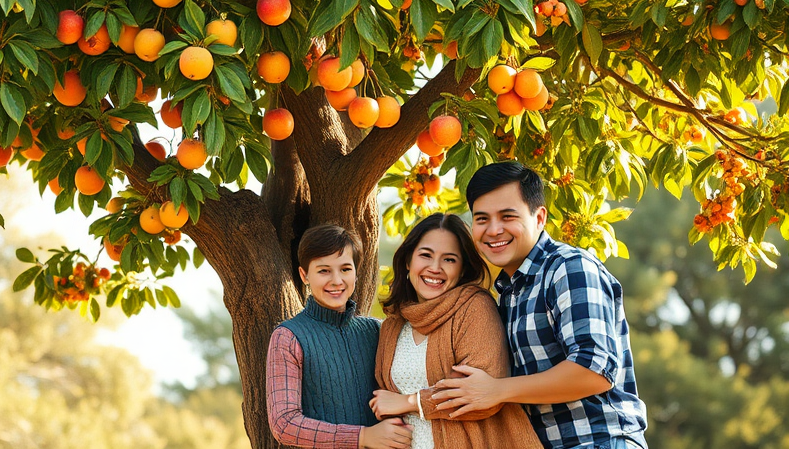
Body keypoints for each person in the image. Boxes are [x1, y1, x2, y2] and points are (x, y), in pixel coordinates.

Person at [431, 161, 648, 449]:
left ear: (539, 217)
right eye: (482, 219)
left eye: (507, 216)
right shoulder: (507, 293)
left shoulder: (569, 268)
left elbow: (595, 370)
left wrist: (496, 390)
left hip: (599, 442)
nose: (493, 230)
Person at [369, 213, 543, 449]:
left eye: (449, 260)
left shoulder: (474, 308)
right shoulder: (393, 325)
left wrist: (411, 402)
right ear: (408, 261)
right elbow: (386, 402)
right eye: (425, 255)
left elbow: (481, 396)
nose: (435, 268)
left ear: (462, 270)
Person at [266, 224, 412, 449]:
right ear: (304, 275)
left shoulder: (377, 331)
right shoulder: (288, 337)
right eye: (324, 271)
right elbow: (284, 424)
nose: (336, 280)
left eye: (345, 269)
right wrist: (363, 437)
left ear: (356, 271)